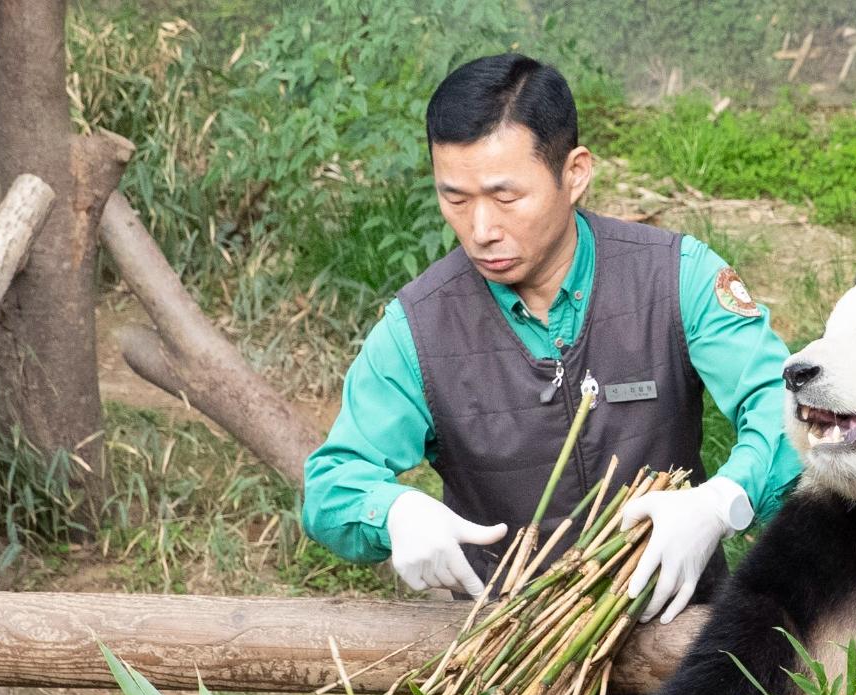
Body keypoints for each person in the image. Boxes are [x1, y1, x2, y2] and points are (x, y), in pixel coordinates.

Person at [302, 53, 800, 623]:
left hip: (681, 634)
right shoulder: (417, 328)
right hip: (505, 647)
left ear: (575, 173)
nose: (481, 230)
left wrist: (722, 501)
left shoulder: (676, 277)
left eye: (506, 197)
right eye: (455, 199)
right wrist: (392, 512)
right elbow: (331, 484)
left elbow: (786, 407)